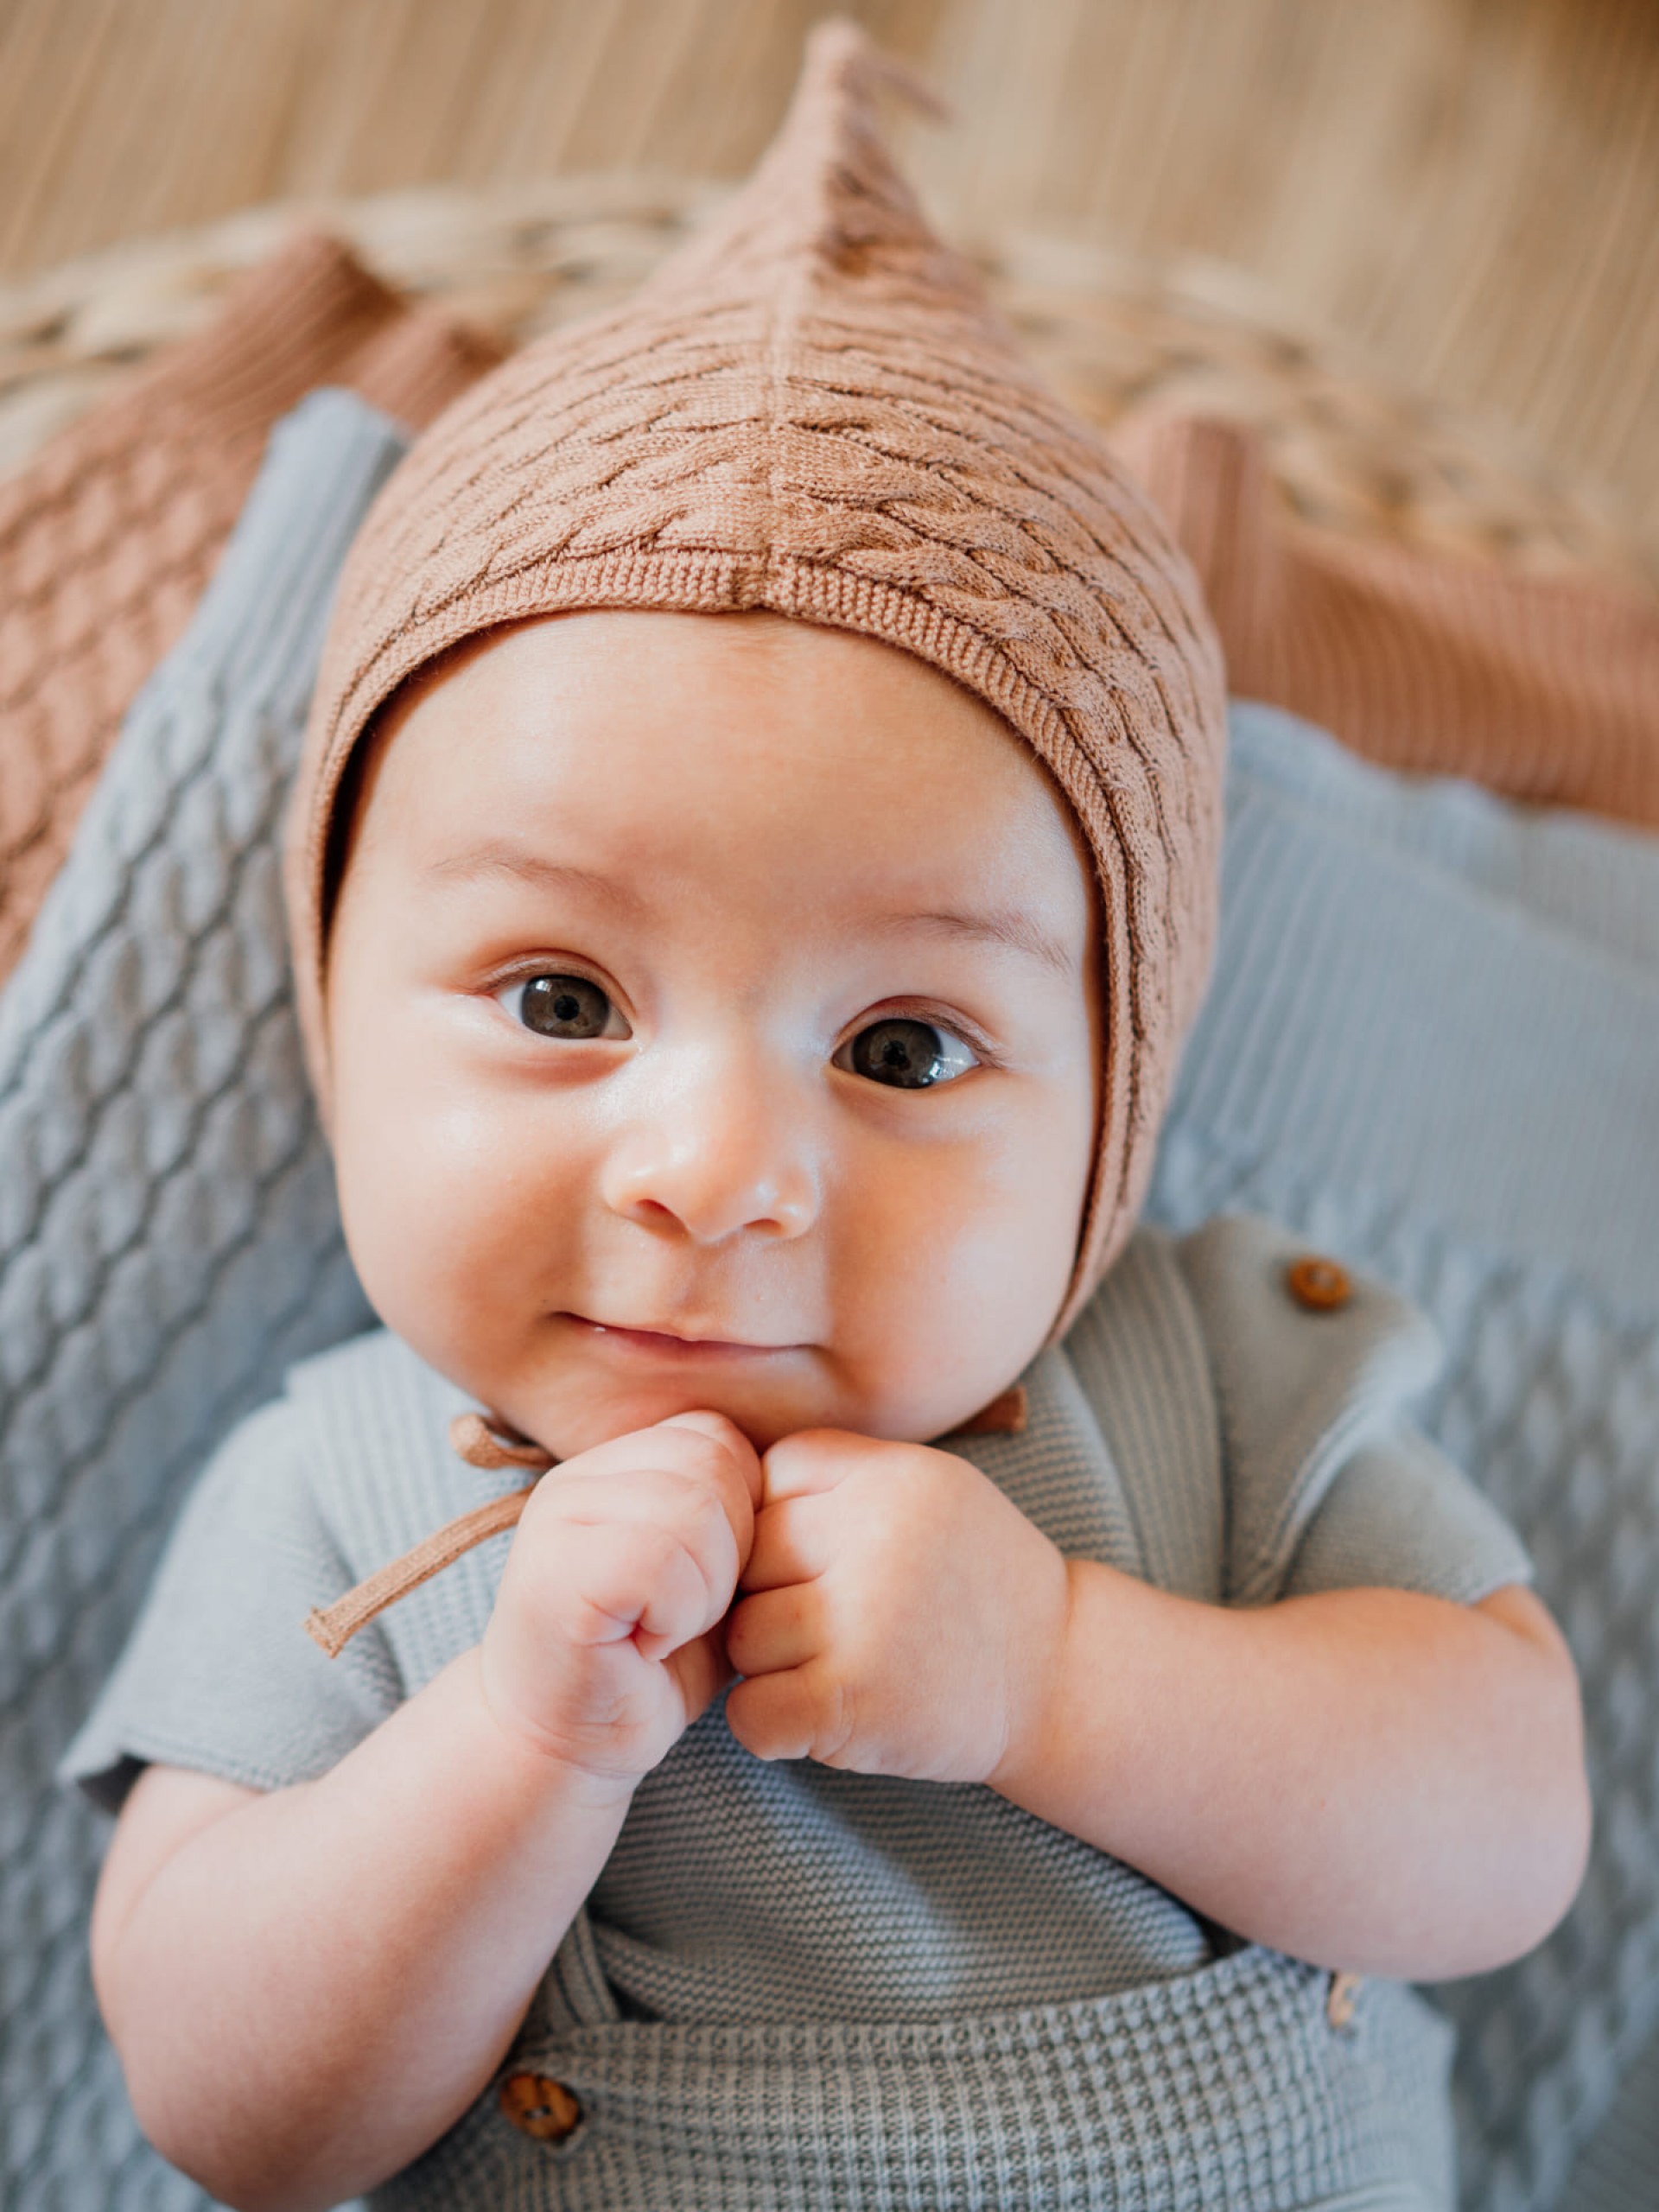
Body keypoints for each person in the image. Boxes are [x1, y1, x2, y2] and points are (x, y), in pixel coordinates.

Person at [63, 22, 1589, 2210]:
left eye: (898, 1048)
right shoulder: (340, 1494)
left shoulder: (1225, 1378)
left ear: (1118, 1100)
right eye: (564, 996)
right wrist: (516, 1746)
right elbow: (230, 2108)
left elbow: (1506, 1826)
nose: (714, 1175)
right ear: (334, 1013)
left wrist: (1067, 1672)